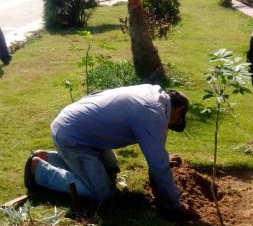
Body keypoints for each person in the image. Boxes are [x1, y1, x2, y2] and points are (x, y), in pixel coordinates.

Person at [25, 84, 190, 216]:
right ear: (179, 110)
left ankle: (49, 158)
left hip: (83, 130)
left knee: (111, 170)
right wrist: (174, 204)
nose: (172, 125)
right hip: (74, 137)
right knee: (103, 195)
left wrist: (162, 157)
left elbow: (153, 143)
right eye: (177, 121)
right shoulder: (153, 112)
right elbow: (157, 165)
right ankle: (39, 170)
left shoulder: (153, 96)